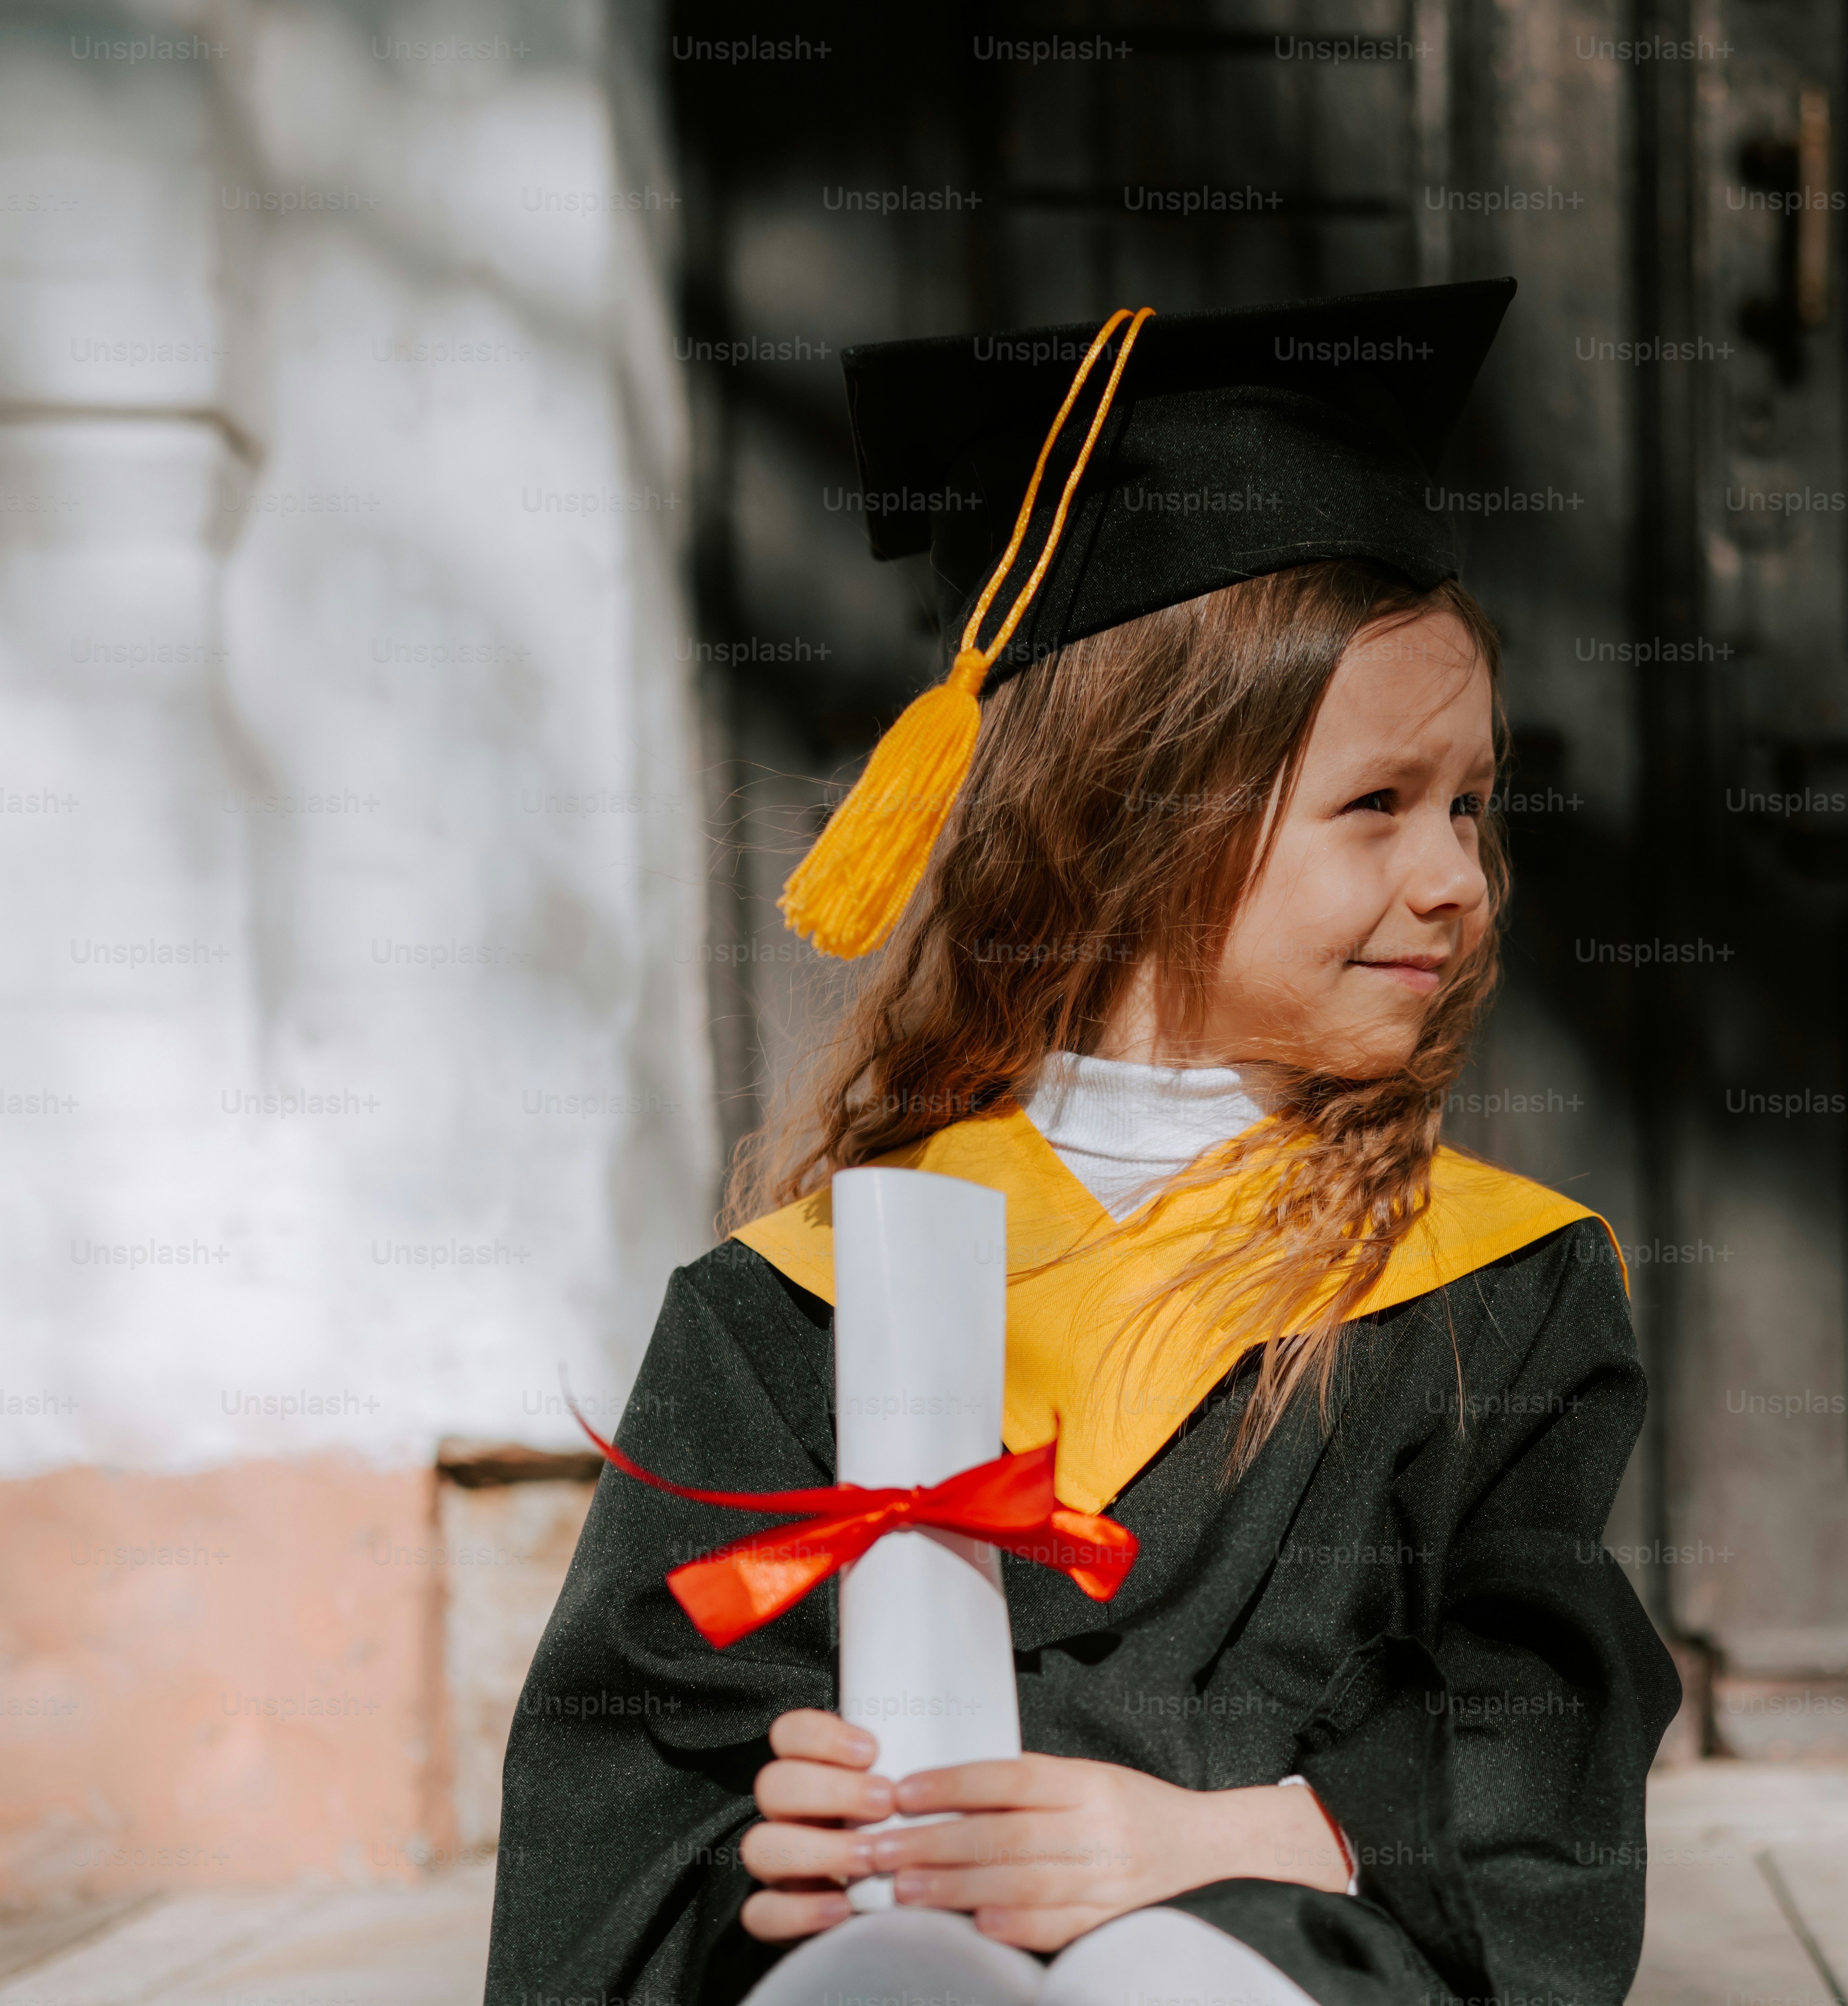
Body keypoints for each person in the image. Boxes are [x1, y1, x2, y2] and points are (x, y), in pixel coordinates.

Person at [483, 281, 1681, 2006]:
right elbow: (627, 1765)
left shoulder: (1491, 1286)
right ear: (1134, 814)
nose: (1458, 880)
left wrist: (1220, 1838)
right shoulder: (786, 1307)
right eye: (1379, 806)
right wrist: (781, 1821)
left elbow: (1533, 1716)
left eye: (1472, 804)